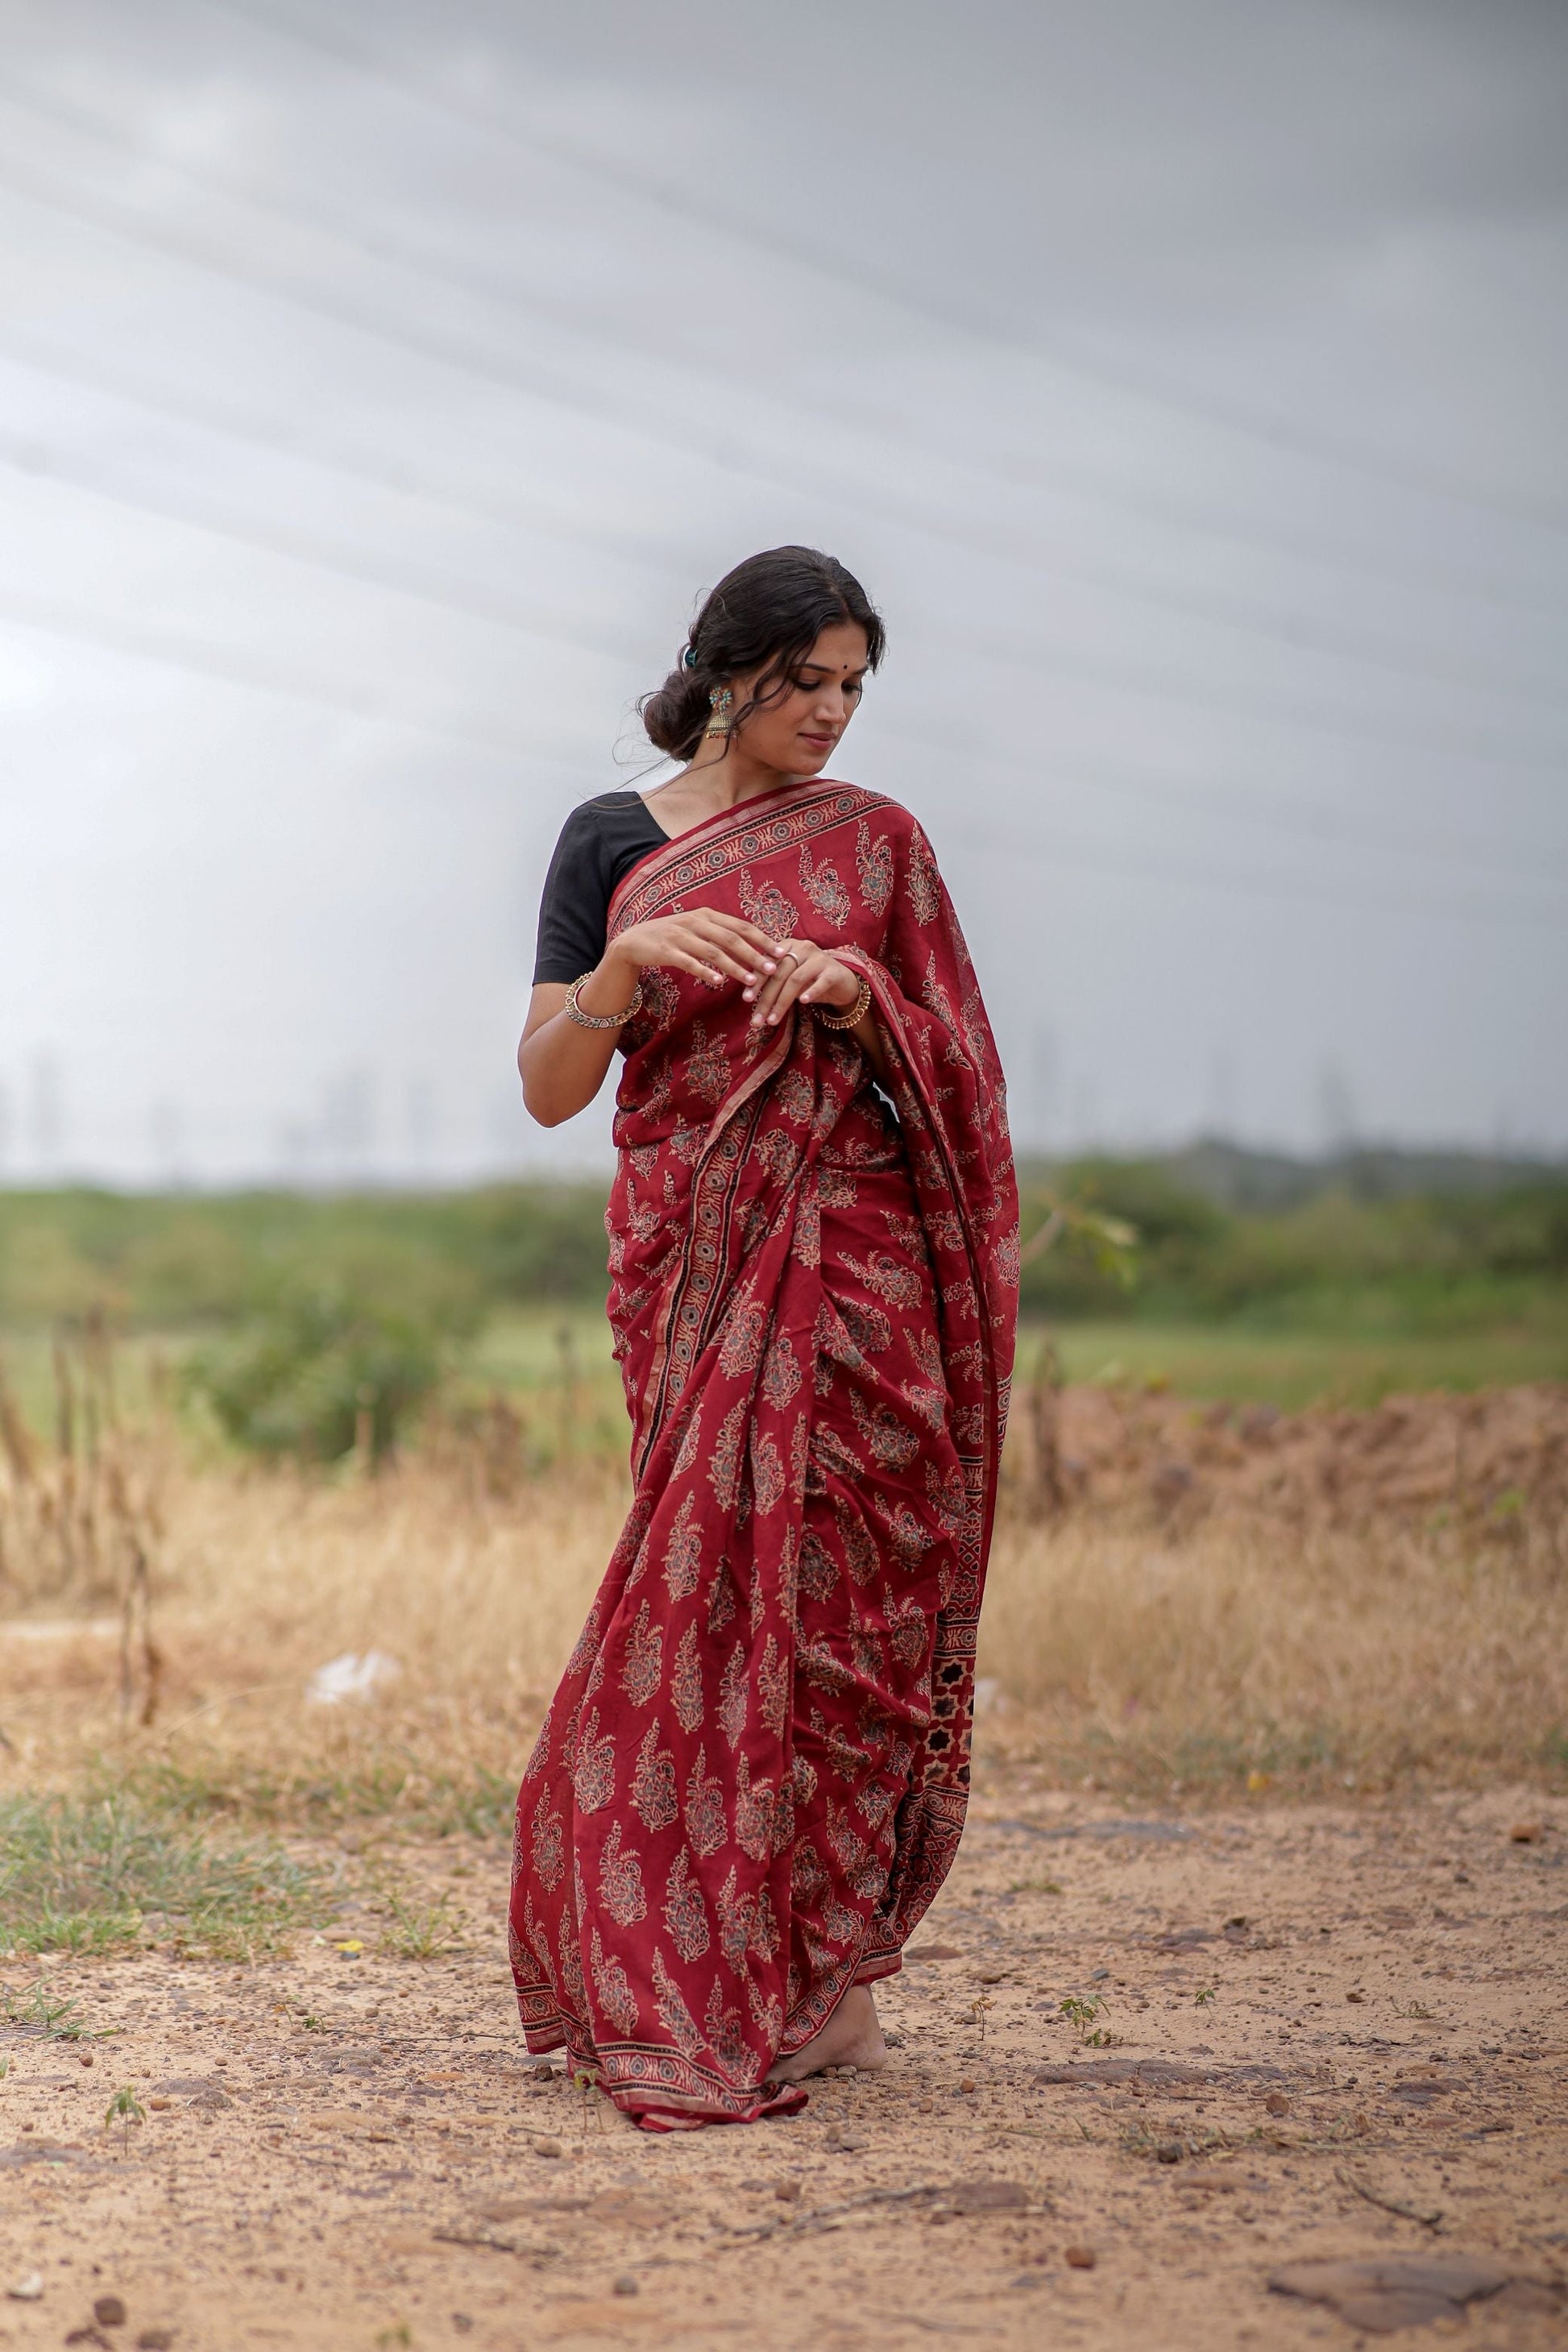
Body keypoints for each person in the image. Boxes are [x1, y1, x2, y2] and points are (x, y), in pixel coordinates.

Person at [509, 545, 1018, 2130]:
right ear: (730, 673)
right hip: (694, 1260)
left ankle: (835, 1988)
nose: (831, 714)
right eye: (806, 681)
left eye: (854, 686)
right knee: (721, 1602)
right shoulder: (609, 842)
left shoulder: (880, 851)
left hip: (855, 1266)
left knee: (846, 1613)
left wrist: (860, 993)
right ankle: (692, 1960)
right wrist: (624, 966)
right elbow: (543, 1081)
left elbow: (967, 1072)